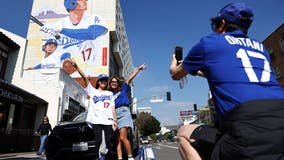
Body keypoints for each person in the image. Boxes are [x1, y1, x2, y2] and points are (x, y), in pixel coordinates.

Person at [169, 2, 284, 160]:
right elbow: (235, 75)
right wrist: (198, 72)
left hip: (245, 128)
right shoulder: (260, 48)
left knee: (183, 133)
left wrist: (174, 61)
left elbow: (175, 74)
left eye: (214, 25)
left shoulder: (210, 43)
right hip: (280, 120)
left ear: (221, 24)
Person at [41, 0, 108, 76]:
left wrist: (61, 30)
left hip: (90, 74)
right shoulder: (58, 24)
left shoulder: (94, 18)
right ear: (71, 3)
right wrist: (47, 34)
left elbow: (92, 34)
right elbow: (48, 53)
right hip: (65, 76)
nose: (85, 1)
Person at [70, 59, 117, 160]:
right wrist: (76, 67)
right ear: (98, 82)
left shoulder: (109, 94)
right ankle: (97, 157)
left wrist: (115, 120)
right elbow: (85, 78)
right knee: (98, 140)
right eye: (101, 80)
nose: (103, 82)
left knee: (109, 141)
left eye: (105, 80)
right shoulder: (93, 91)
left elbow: (112, 107)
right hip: (96, 120)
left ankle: (108, 157)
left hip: (108, 120)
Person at [108, 64, 147, 160]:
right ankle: (120, 158)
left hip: (124, 112)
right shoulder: (108, 94)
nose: (114, 83)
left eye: (116, 82)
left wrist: (138, 69)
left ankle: (130, 157)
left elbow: (129, 79)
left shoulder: (123, 89)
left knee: (122, 137)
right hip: (114, 115)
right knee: (117, 140)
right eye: (112, 82)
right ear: (110, 83)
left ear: (118, 83)